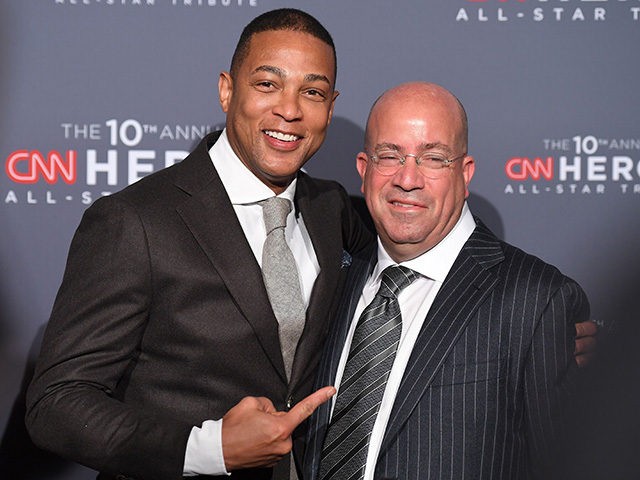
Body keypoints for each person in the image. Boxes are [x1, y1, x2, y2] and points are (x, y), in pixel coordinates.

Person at [25, 9, 372, 480]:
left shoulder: (332, 209)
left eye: (311, 92)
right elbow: (57, 404)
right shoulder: (135, 220)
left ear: (330, 106)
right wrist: (208, 450)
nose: (289, 110)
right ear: (227, 90)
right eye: (267, 84)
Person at [304, 82, 591, 480]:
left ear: (465, 172)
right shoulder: (335, 281)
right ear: (363, 169)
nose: (407, 179)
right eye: (389, 156)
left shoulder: (536, 300)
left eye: (433, 158)